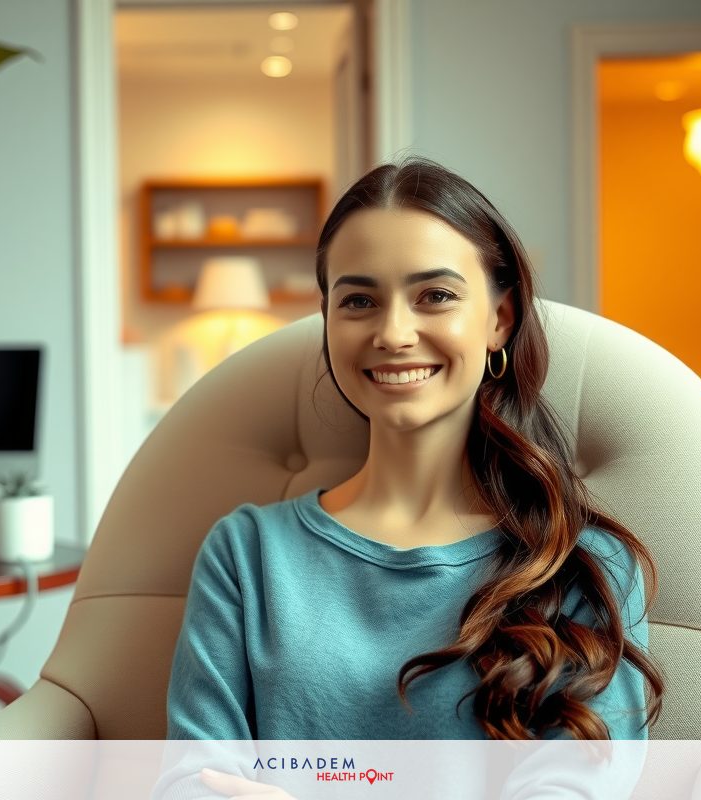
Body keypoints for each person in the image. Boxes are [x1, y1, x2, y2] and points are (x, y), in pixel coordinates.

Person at [153, 159, 664, 799]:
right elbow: (194, 784)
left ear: (500, 319)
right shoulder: (246, 553)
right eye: (359, 301)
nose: (394, 334)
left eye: (436, 296)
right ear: (329, 322)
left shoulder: (585, 564)